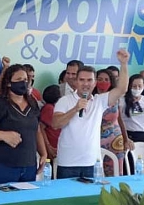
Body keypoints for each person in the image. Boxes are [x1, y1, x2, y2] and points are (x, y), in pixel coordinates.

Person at [52, 49, 130, 179]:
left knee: (91, 198)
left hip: (92, 163)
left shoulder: (99, 101)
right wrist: (75, 109)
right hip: (68, 163)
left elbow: (122, 89)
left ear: (94, 83)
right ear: (76, 82)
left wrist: (124, 64)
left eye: (89, 80)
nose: (85, 84)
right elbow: (55, 124)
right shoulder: (64, 101)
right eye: (82, 80)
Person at [0, 64, 46, 184]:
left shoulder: (33, 103)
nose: (23, 83)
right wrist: (3, 135)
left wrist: (43, 153)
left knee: (26, 201)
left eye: (25, 80)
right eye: (19, 80)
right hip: (3, 166)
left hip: (29, 165)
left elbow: (37, 130)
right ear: (9, 83)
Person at [95, 69, 131, 176]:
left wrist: (126, 138)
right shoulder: (91, 99)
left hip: (115, 140)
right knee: (97, 173)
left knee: (115, 172)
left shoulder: (116, 99)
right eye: (100, 79)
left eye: (106, 79)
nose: (103, 82)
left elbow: (119, 120)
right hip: (96, 140)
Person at [121, 74, 144, 143]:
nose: (137, 88)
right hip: (128, 134)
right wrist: (125, 138)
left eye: (139, 86)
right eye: (134, 86)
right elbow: (119, 120)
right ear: (129, 86)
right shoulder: (122, 100)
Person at [39, 85, 61, 168]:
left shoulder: (55, 108)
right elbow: (41, 128)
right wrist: (48, 147)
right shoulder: (49, 109)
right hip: (50, 150)